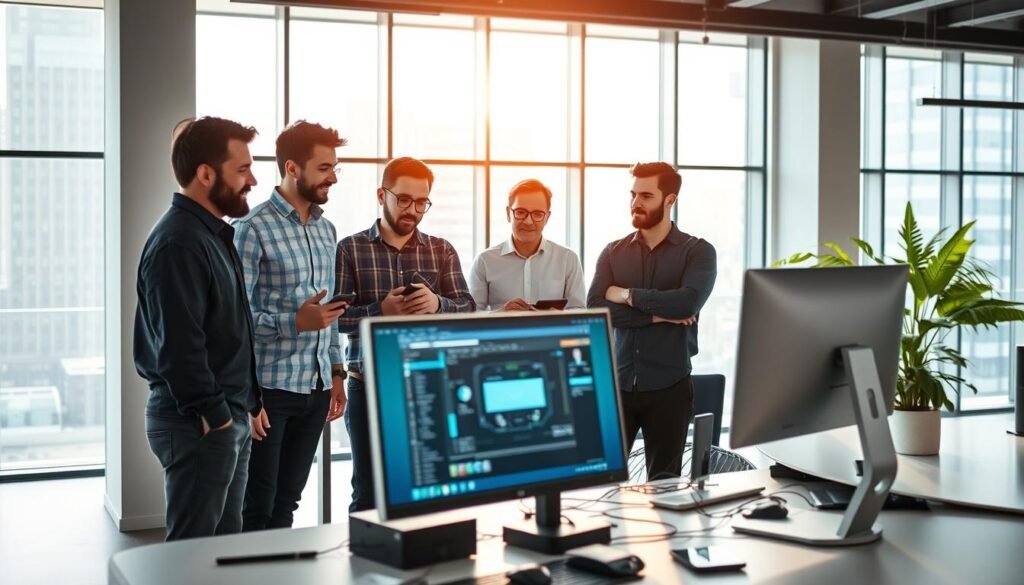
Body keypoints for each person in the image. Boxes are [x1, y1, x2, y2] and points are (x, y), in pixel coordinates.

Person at [134, 116, 261, 541]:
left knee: (222, 552)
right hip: (199, 422)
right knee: (189, 557)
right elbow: (180, 349)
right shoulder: (179, 242)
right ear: (206, 174)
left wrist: (247, 400)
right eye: (242, 170)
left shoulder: (210, 235)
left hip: (223, 415)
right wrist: (217, 417)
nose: (253, 180)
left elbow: (226, 331)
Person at [335, 156, 476, 512]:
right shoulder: (350, 249)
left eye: (422, 202)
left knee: (431, 492)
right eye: (404, 200)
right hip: (368, 387)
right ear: (381, 195)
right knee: (367, 494)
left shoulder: (442, 250)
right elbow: (336, 320)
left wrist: (438, 305)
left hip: (429, 388)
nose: (413, 209)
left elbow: (469, 308)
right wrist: (380, 312)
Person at [233, 121, 348, 531]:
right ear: (292, 167)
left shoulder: (326, 230)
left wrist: (337, 373)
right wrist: (293, 322)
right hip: (270, 391)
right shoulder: (251, 229)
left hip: (315, 390)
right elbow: (235, 318)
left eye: (335, 167)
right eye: (324, 167)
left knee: (287, 502)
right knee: (257, 506)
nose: (333, 176)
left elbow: (330, 313)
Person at [586, 162, 716, 482]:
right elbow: (595, 309)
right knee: (599, 484)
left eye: (646, 195)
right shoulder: (613, 252)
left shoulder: (698, 252)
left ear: (669, 200)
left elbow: (687, 303)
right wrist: (660, 314)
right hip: (617, 386)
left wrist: (626, 293)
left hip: (670, 387)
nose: (635, 203)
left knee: (665, 484)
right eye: (633, 194)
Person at [469, 179, 586, 311]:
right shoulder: (484, 261)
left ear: (547, 217)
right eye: (520, 212)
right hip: (504, 331)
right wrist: (500, 315)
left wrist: (555, 317)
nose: (528, 221)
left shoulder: (568, 259)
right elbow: (472, 316)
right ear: (508, 213)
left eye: (537, 214)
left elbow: (579, 310)